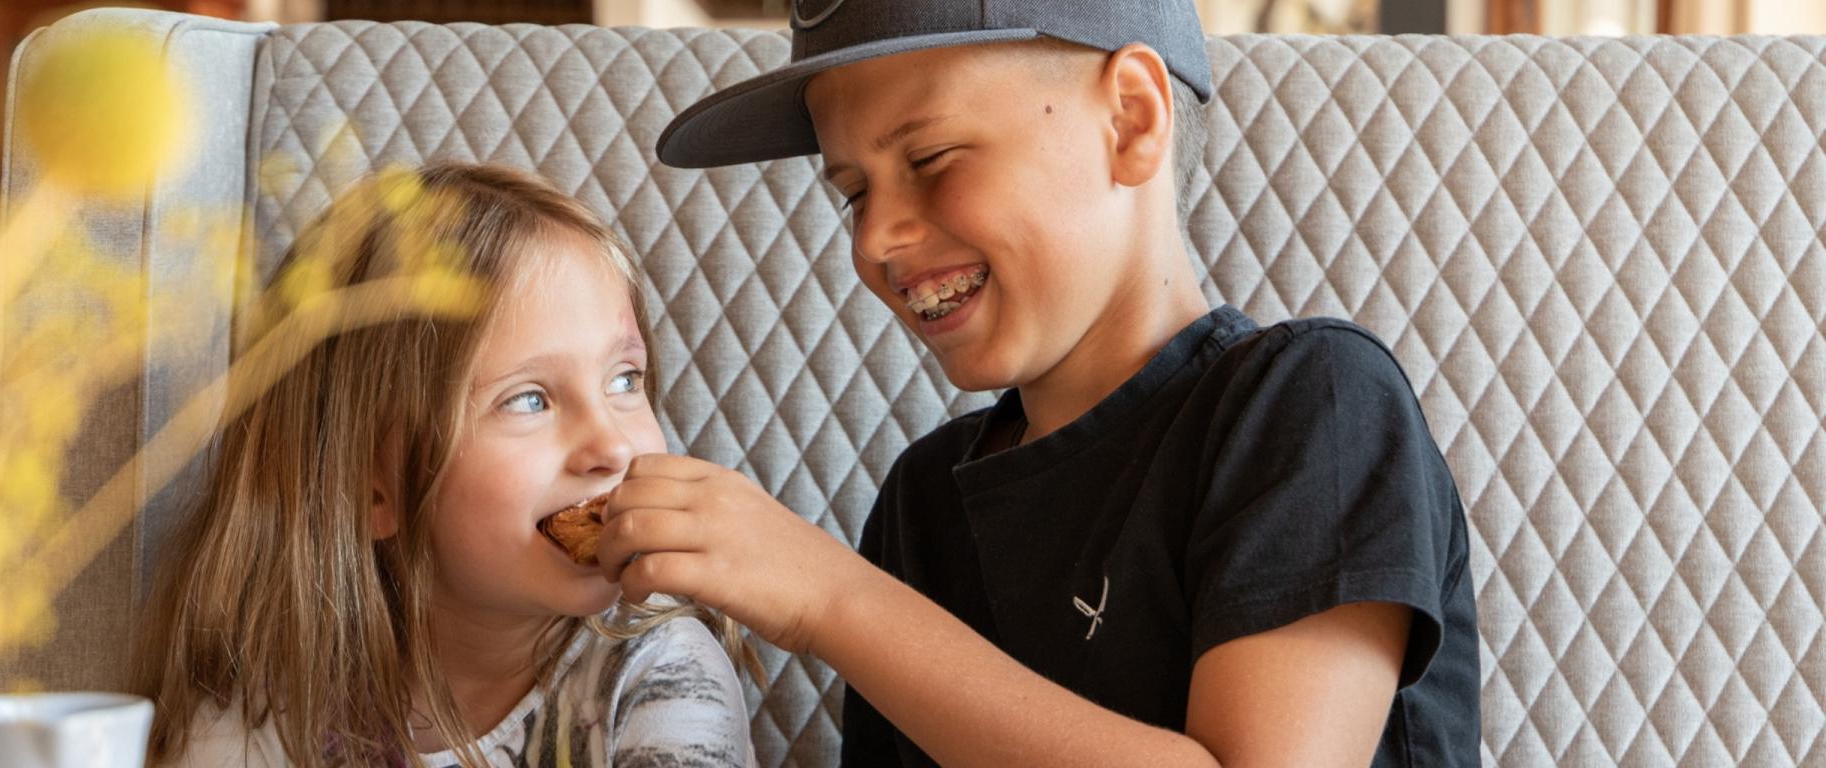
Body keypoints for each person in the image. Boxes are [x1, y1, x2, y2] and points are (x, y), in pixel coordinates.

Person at [600, 1, 1481, 765]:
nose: (874, 242)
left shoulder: (1309, 400)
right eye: (853, 192)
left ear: (1132, 121)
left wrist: (832, 599)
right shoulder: (920, 507)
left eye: (935, 157)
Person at [134, 163, 760, 768]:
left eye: (625, 379)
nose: (613, 448)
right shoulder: (257, 706)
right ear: (369, 488)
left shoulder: (660, 673)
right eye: (529, 399)